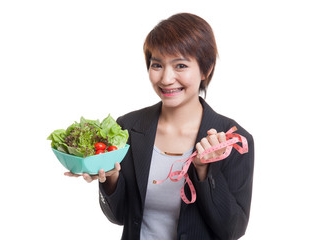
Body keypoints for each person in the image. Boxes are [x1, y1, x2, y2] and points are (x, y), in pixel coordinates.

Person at [65, 12, 254, 240]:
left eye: (181, 65)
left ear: (206, 69)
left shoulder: (233, 139)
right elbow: (119, 217)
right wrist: (111, 177)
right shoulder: (128, 128)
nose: (166, 78)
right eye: (157, 65)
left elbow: (231, 231)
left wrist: (203, 170)